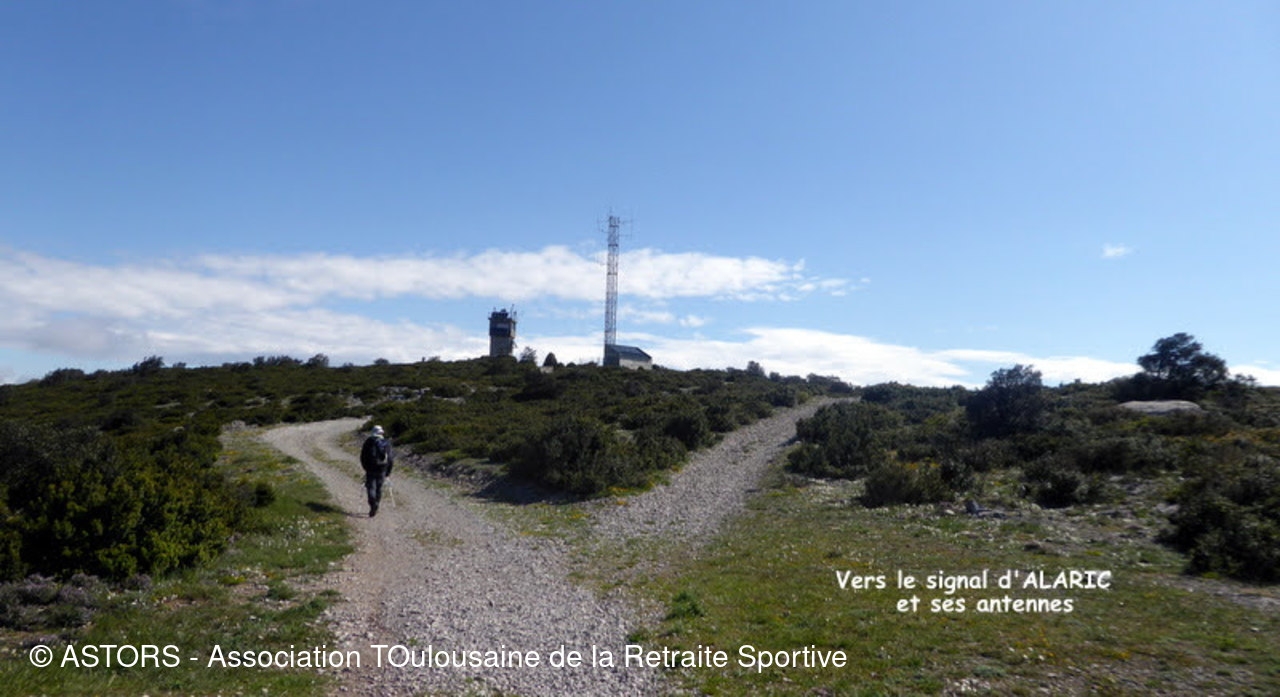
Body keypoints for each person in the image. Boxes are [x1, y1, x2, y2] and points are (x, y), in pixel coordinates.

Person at [360, 425, 394, 517]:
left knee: (371, 487)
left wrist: (366, 468)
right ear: (381, 433)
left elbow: (363, 457)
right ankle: (377, 504)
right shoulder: (386, 443)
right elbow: (390, 458)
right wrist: (388, 471)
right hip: (382, 469)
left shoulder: (369, 442)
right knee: (379, 488)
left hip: (371, 469)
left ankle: (372, 504)